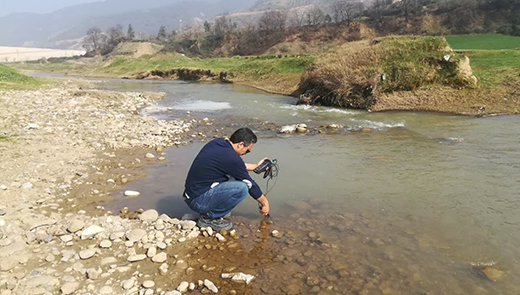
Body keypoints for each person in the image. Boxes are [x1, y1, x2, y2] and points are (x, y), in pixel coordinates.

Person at [183, 127, 270, 230]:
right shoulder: (231, 159)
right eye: (247, 151)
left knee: (234, 177)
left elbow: (236, 165)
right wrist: (265, 203)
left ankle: (215, 209)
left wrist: (256, 166)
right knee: (242, 188)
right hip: (198, 201)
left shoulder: (218, 143)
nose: (245, 153)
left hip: (192, 193)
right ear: (241, 144)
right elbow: (251, 184)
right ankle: (209, 219)